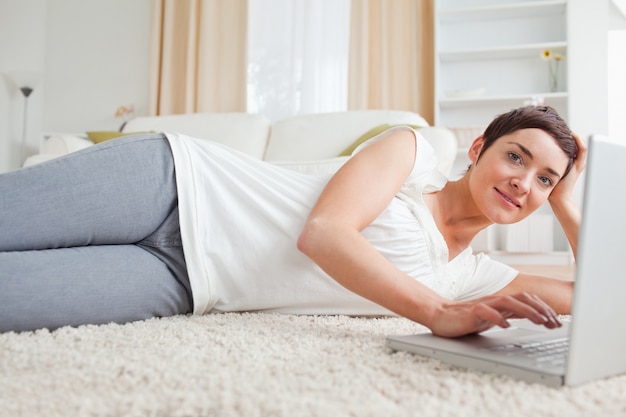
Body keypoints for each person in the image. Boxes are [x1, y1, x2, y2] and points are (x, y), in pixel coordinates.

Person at [0, 105, 585, 336]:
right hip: (171, 185)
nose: (522, 181)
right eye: (516, 157)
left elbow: (601, 297)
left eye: (543, 179)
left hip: (185, 282)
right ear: (479, 146)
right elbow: (324, 234)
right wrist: (435, 313)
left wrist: (565, 203)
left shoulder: (472, 277)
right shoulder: (413, 154)